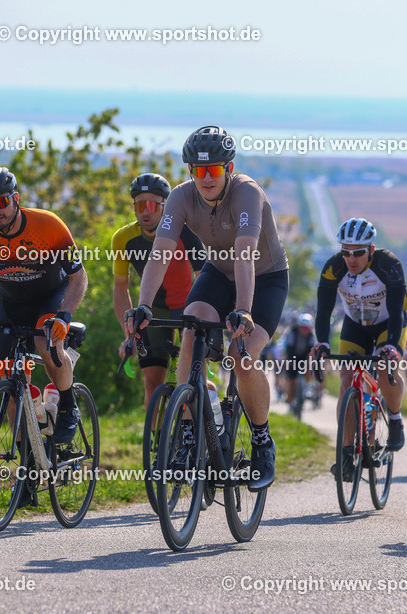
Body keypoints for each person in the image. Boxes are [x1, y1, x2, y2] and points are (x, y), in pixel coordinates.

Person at [126, 126, 289, 492]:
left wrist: (243, 312)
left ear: (228, 167)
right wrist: (143, 306)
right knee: (192, 326)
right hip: (219, 272)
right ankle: (188, 432)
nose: (205, 179)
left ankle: (262, 441)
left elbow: (246, 256)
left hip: (264, 278)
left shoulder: (247, 193)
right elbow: (160, 253)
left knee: (241, 355)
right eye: (197, 171)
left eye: (212, 170)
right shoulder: (182, 197)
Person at [0, 165, 87, 445]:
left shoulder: (48, 225)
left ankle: (67, 405)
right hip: (12, 304)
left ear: (15, 198)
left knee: (46, 343)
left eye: (1, 202)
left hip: (51, 296)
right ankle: (26, 470)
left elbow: (79, 278)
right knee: (12, 387)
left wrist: (64, 316)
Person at [312, 218, 407, 481]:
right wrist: (321, 342)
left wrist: (391, 346)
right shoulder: (333, 267)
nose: (351, 258)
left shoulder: (388, 265)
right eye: (345, 251)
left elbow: (399, 309)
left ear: (371, 250)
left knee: (383, 365)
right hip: (355, 326)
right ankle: (345, 453)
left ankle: (396, 418)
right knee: (346, 379)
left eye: (358, 252)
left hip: (389, 324)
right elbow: (324, 310)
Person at [112, 173, 205, 407]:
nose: (145, 211)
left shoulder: (187, 233)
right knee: (152, 385)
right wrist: (128, 333)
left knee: (195, 382)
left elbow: (203, 276)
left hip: (186, 307)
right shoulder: (123, 239)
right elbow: (121, 289)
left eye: (153, 205)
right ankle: (157, 442)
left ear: (165, 206)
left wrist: (205, 318)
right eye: (139, 205)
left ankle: (204, 425)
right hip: (152, 310)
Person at [283, 313, 316, 411]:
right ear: (298, 326)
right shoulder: (292, 333)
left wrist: (309, 361)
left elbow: (311, 350)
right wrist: (290, 361)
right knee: (291, 380)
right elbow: (289, 349)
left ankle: (307, 386)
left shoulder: (311, 336)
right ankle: (290, 402)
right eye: (303, 328)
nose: (305, 330)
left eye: (307, 328)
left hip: (304, 356)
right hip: (293, 355)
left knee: (309, 365)